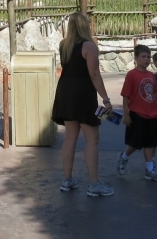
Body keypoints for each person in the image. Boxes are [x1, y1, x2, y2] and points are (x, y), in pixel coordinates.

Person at [51, 12, 115, 197]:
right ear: (85, 25)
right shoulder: (89, 46)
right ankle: (94, 184)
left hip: (65, 91)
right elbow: (94, 74)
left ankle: (67, 179)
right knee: (92, 139)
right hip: (83, 93)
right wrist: (106, 99)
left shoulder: (64, 45)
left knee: (70, 137)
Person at [116, 44, 157, 182]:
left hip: (152, 114)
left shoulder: (151, 75)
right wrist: (126, 114)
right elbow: (126, 96)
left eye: (148, 57)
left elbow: (155, 95)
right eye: (143, 56)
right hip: (137, 114)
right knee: (135, 143)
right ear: (136, 58)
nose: (146, 59)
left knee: (150, 143)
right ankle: (124, 157)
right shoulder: (131, 75)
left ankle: (150, 170)